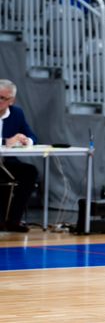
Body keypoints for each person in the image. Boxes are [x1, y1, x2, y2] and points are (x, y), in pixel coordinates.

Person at [0, 79, 39, 232]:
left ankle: (14, 220)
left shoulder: (17, 113)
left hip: (7, 161)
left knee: (30, 172)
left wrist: (26, 140)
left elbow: (32, 136)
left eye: (3, 98)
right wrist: (6, 141)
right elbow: (7, 141)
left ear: (11, 100)